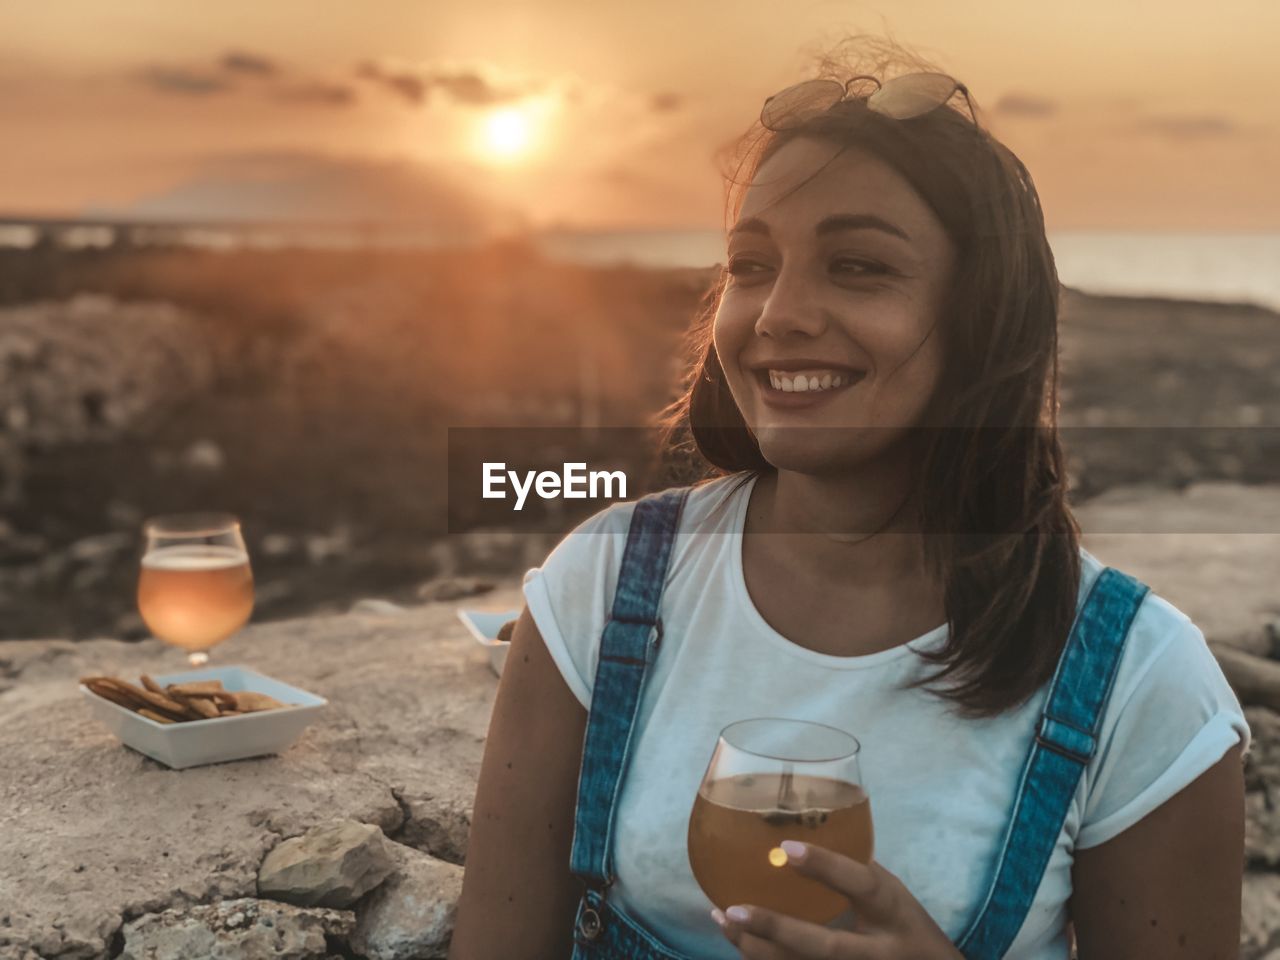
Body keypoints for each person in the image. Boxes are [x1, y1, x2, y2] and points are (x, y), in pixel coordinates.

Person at [449, 35, 1250, 960]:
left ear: (983, 319)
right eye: (751, 266)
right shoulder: (602, 588)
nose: (779, 314)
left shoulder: (1137, 681)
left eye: (859, 267)